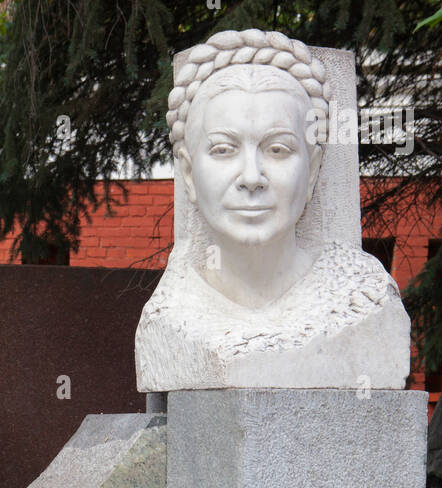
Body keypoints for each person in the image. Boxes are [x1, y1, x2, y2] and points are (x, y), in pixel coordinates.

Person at [135, 29, 409, 390]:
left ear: (311, 170)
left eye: (278, 149)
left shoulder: (365, 301)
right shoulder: (171, 316)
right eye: (223, 149)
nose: (252, 177)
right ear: (188, 172)